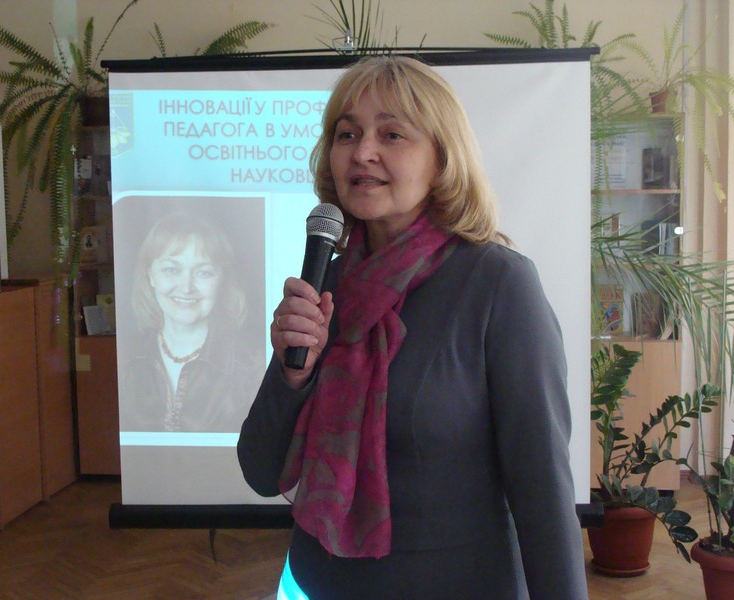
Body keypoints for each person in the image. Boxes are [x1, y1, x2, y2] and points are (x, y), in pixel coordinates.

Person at [237, 56, 588, 599]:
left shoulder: (498, 283)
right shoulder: (328, 279)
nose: (362, 152)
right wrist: (291, 375)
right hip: (316, 584)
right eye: (346, 134)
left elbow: (542, 488)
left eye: (392, 134)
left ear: (443, 159)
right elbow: (261, 472)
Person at [119, 211, 262, 433]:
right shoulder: (124, 357)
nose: (186, 287)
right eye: (171, 270)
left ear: (222, 280)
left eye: (203, 273)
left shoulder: (254, 364)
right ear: (151, 276)